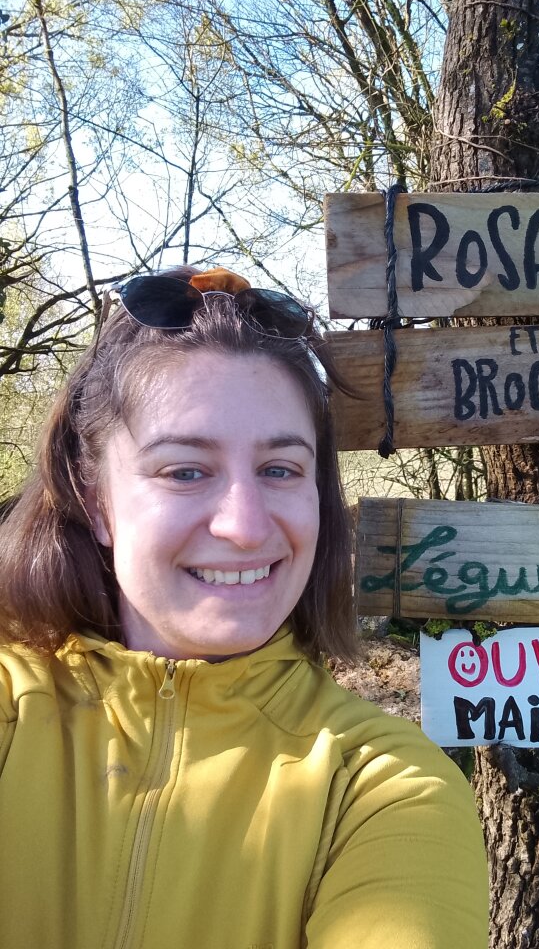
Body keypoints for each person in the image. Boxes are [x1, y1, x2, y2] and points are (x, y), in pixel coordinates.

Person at [0, 266, 488, 949]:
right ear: (95, 499)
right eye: (185, 471)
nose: (247, 526)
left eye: (279, 470)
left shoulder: (383, 786)